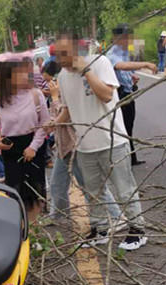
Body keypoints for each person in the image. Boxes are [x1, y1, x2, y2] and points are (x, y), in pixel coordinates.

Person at [54, 31, 147, 250]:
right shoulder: (62, 76)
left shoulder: (100, 63)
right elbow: (67, 110)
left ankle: (137, 230)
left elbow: (106, 95)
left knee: (124, 188)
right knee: (92, 192)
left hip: (112, 140)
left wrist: (85, 71)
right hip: (85, 145)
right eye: (59, 55)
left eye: (65, 54)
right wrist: (54, 123)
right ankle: (100, 230)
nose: (62, 60)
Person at [42, 61, 121, 226]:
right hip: (63, 146)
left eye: (48, 79)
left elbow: (67, 114)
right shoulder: (61, 84)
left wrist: (55, 97)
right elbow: (58, 118)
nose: (47, 84)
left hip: (74, 144)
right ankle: (57, 215)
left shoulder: (66, 86)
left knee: (90, 186)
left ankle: (116, 217)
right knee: (57, 183)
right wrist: (52, 123)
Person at [0, 58, 50, 221]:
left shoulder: (36, 95)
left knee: (34, 192)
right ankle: (21, 229)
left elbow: (45, 123)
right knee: (16, 193)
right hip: (10, 150)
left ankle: (34, 231)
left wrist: (33, 147)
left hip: (33, 147)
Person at [107, 23, 157, 167]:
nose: (130, 39)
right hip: (120, 97)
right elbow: (120, 66)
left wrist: (132, 76)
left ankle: (131, 158)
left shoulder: (124, 51)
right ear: (118, 38)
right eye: (127, 37)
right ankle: (125, 159)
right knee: (123, 129)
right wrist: (145, 64)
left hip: (128, 94)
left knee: (129, 127)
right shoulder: (112, 53)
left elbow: (125, 69)